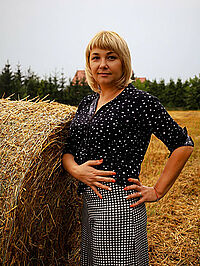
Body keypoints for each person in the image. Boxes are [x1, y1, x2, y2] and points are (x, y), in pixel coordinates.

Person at [62, 31, 194, 266]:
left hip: (121, 206)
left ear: (124, 62)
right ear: (89, 63)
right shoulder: (86, 104)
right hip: (88, 206)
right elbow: (69, 150)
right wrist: (76, 170)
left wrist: (157, 190)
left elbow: (182, 144)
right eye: (96, 57)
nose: (102, 64)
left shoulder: (141, 102)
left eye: (111, 57)